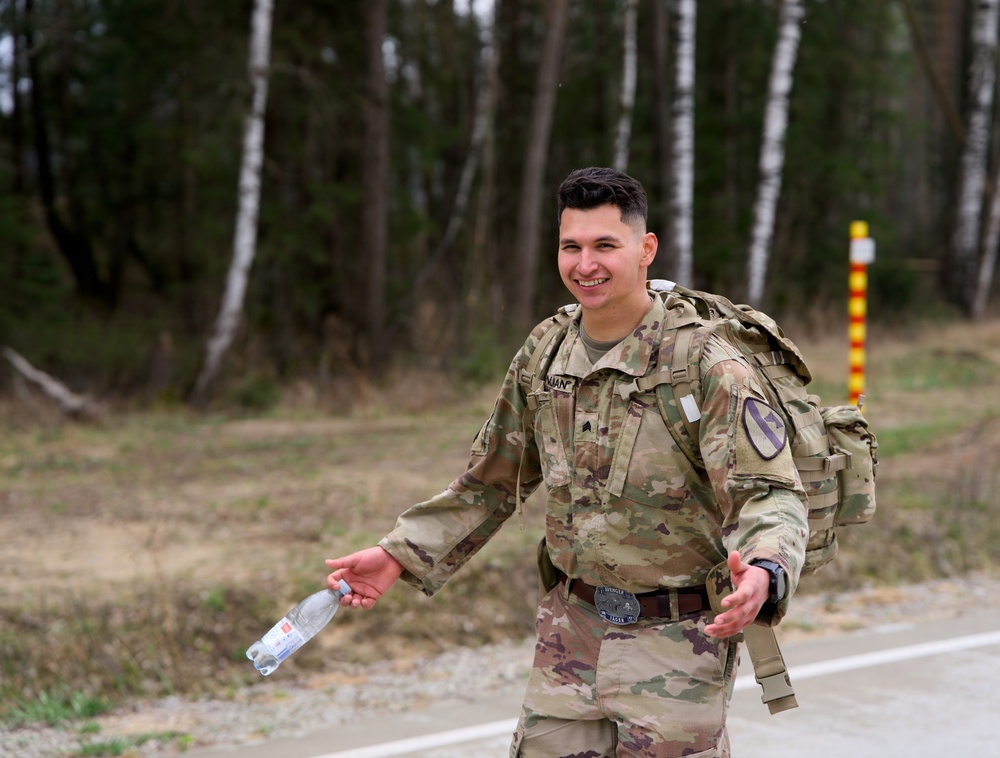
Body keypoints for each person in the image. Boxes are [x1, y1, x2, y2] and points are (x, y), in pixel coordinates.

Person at [326, 167, 808, 757]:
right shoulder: (545, 351)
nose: (587, 265)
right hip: (569, 634)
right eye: (571, 246)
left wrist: (764, 569)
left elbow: (770, 491)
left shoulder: (702, 362)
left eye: (606, 245)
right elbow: (493, 482)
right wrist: (399, 553)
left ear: (645, 248)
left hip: (680, 643)